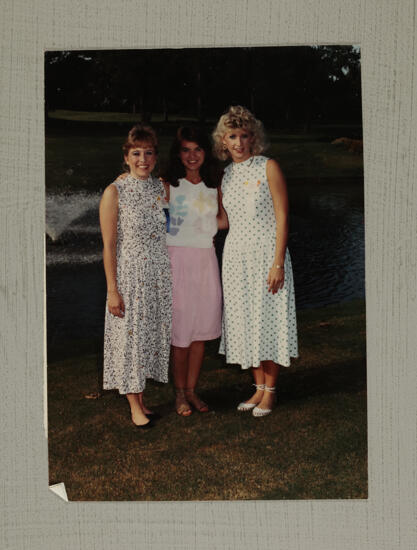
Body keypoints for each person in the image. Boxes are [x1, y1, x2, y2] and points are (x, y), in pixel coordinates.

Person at [212, 105, 298, 417]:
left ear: (253, 138)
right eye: (231, 136)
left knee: (268, 320)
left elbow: (283, 216)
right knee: (247, 322)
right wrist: (181, 208)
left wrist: (277, 263)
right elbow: (223, 221)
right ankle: (258, 388)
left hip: (266, 255)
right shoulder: (226, 175)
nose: (238, 142)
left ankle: (271, 391)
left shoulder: (268, 167)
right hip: (236, 256)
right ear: (223, 141)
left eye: (244, 135)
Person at [99, 124, 171, 428]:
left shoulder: (160, 188)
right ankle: (134, 407)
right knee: (129, 339)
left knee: (147, 337)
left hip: (157, 276)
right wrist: (112, 290)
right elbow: (109, 246)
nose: (143, 159)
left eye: (149, 153)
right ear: (126, 157)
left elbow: (174, 226)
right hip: (129, 278)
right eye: (137, 153)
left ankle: (141, 399)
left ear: (155, 156)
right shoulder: (115, 191)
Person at [163, 126, 227, 416]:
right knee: (180, 334)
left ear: (205, 152)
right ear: (179, 153)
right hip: (177, 260)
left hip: (205, 259)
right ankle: (179, 395)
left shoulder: (215, 183)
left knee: (200, 332)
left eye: (197, 149)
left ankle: (192, 391)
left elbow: (225, 219)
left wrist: (205, 228)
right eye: (186, 149)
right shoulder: (168, 184)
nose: (192, 156)